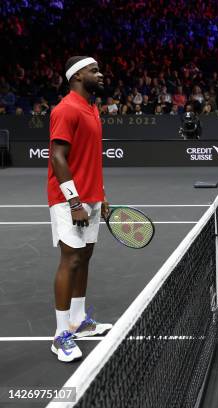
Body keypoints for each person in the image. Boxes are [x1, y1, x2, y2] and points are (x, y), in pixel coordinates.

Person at [48, 56, 112, 362]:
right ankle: (61, 336)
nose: (100, 75)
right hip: (68, 199)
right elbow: (58, 157)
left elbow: (90, 158)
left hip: (91, 196)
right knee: (70, 259)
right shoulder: (66, 109)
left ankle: (79, 320)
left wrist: (101, 194)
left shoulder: (92, 108)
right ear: (76, 77)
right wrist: (74, 202)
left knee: (85, 256)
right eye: (94, 71)